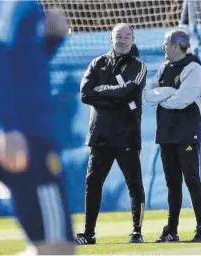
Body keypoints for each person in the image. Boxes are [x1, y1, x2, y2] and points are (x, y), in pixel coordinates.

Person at [0, 1, 75, 254]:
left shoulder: (28, 7)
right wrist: (7, 126)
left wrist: (52, 40)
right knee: (57, 248)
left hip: (32, 133)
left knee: (54, 248)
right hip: (25, 135)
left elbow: (22, 64)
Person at [76, 23, 147, 245]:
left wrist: (103, 90)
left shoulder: (139, 66)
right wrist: (116, 95)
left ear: (133, 40)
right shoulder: (97, 64)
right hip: (100, 135)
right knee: (93, 182)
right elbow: (86, 94)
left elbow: (131, 90)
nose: (123, 40)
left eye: (127, 36)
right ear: (111, 38)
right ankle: (89, 234)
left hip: (127, 134)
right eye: (119, 36)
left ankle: (137, 231)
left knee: (134, 183)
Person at [144, 29, 201, 242]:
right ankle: (171, 230)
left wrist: (163, 96)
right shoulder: (163, 68)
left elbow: (183, 99)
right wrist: (169, 93)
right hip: (166, 133)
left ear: (174, 45)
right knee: (172, 182)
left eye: (165, 43)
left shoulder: (193, 67)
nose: (163, 48)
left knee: (191, 179)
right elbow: (148, 94)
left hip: (187, 132)